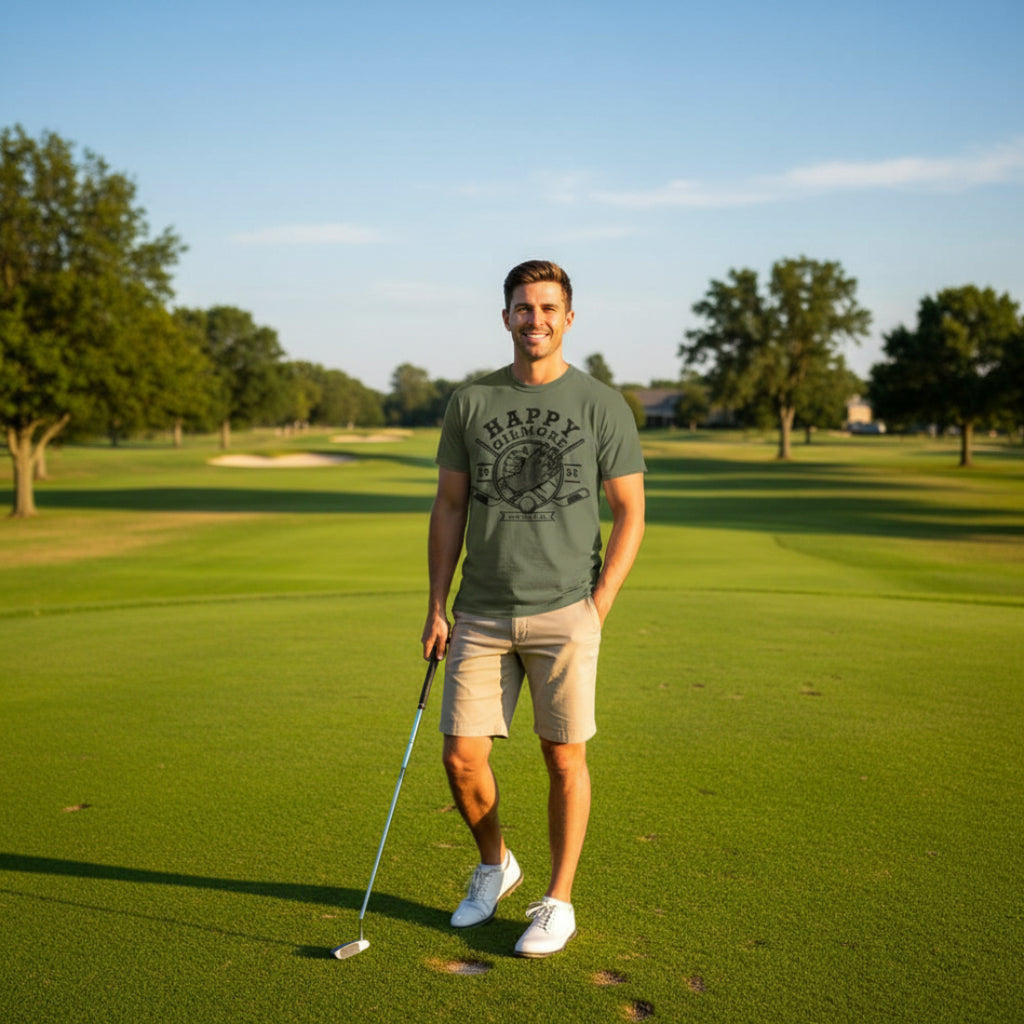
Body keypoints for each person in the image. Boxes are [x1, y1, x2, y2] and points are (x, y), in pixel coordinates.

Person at [421, 259, 646, 958]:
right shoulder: (471, 402)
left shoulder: (601, 403)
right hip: (481, 609)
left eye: (549, 308)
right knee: (461, 759)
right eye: (524, 308)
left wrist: (598, 604)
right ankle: (496, 866)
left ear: (568, 317)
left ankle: (559, 900)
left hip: (565, 609)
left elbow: (631, 512)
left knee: (562, 758)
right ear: (506, 317)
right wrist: (435, 603)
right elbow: (451, 504)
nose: (536, 320)